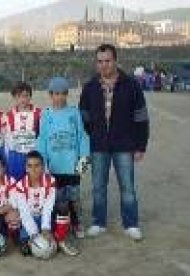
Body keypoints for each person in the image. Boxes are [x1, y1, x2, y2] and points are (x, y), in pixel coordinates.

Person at [79, 44, 149, 241]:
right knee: (98, 187)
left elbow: (141, 118)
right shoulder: (90, 87)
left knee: (127, 187)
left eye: (107, 61)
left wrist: (140, 146)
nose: (104, 65)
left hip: (124, 146)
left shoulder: (131, 85)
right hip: (99, 145)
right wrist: (92, 135)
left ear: (115, 61)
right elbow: (83, 115)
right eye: (100, 61)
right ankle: (98, 222)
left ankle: (131, 224)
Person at [36, 77, 90, 238]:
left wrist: (84, 159)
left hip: (72, 166)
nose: (59, 97)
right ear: (50, 95)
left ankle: (77, 223)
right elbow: (42, 140)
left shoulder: (74, 113)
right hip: (54, 167)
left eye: (62, 94)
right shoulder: (45, 115)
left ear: (66, 94)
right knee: (58, 199)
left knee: (74, 198)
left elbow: (82, 136)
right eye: (56, 94)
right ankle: (60, 224)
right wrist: (43, 163)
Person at [15, 151, 79, 257]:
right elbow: (24, 212)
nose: (33, 170)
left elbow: (48, 207)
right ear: (26, 168)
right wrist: (33, 233)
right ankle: (35, 236)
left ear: (43, 167)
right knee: (26, 250)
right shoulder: (20, 186)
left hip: (47, 217)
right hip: (31, 218)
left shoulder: (51, 181)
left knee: (63, 205)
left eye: (37, 166)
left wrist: (45, 228)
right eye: (30, 166)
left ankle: (61, 240)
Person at [5, 82, 41, 181]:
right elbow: (7, 139)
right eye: (19, 96)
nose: (23, 99)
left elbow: (42, 136)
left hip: (33, 155)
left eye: (26, 96)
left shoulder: (39, 113)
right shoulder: (9, 115)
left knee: (33, 184)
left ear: (30, 96)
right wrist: (8, 158)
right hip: (15, 156)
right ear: (15, 97)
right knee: (16, 185)